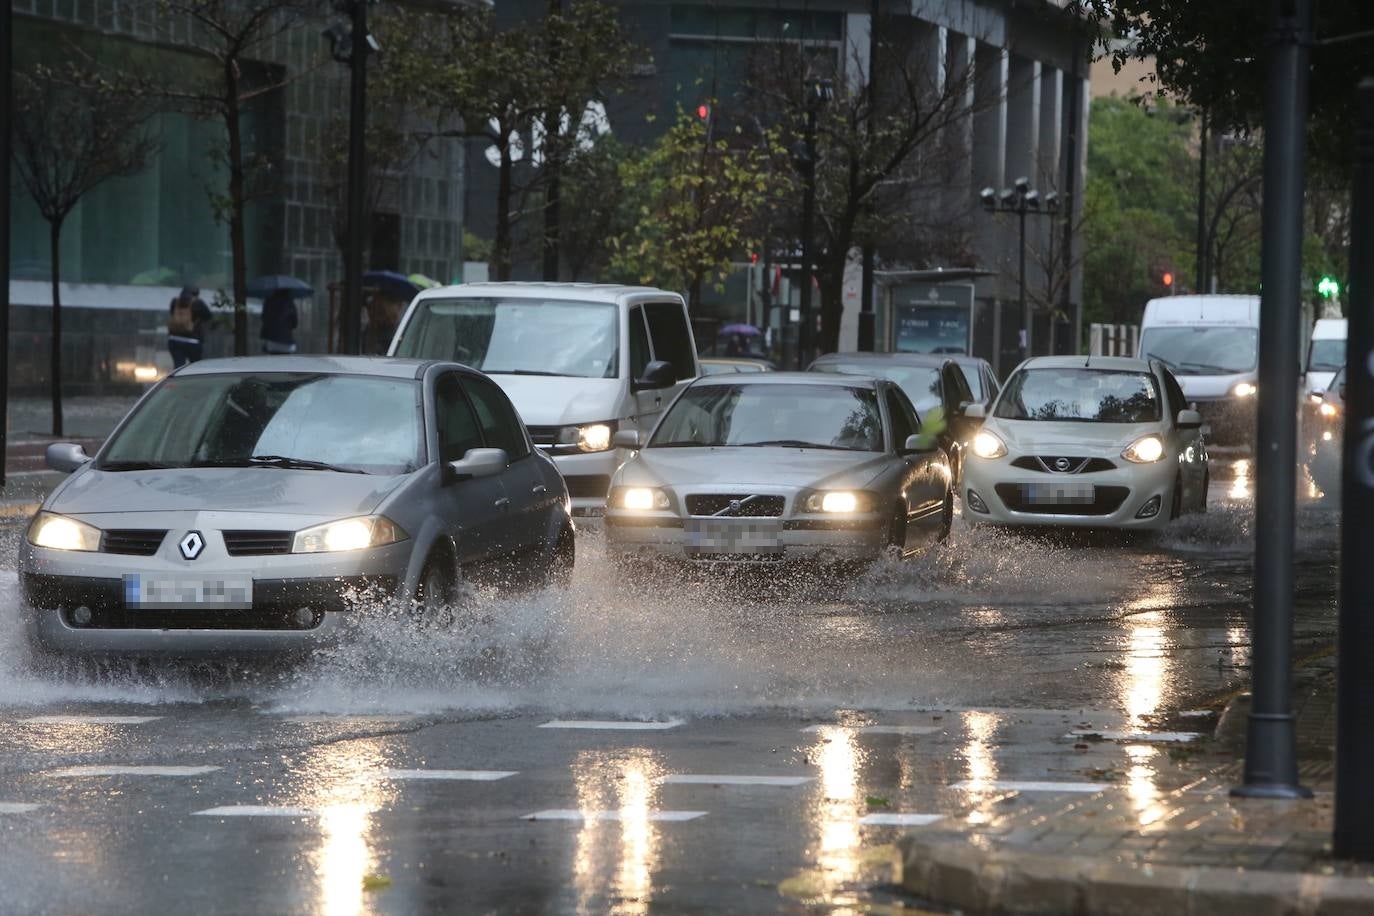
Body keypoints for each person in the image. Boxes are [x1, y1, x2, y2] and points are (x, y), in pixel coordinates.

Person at [167, 285, 212, 367]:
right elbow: (208, 316)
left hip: (174, 339)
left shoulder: (175, 302)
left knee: (178, 366)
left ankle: (179, 379)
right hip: (193, 340)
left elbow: (172, 314)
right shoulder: (198, 303)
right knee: (195, 367)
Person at [261, 288, 298, 354]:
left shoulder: (269, 301)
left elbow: (264, 318)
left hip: (271, 342)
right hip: (287, 342)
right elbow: (295, 323)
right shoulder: (290, 303)